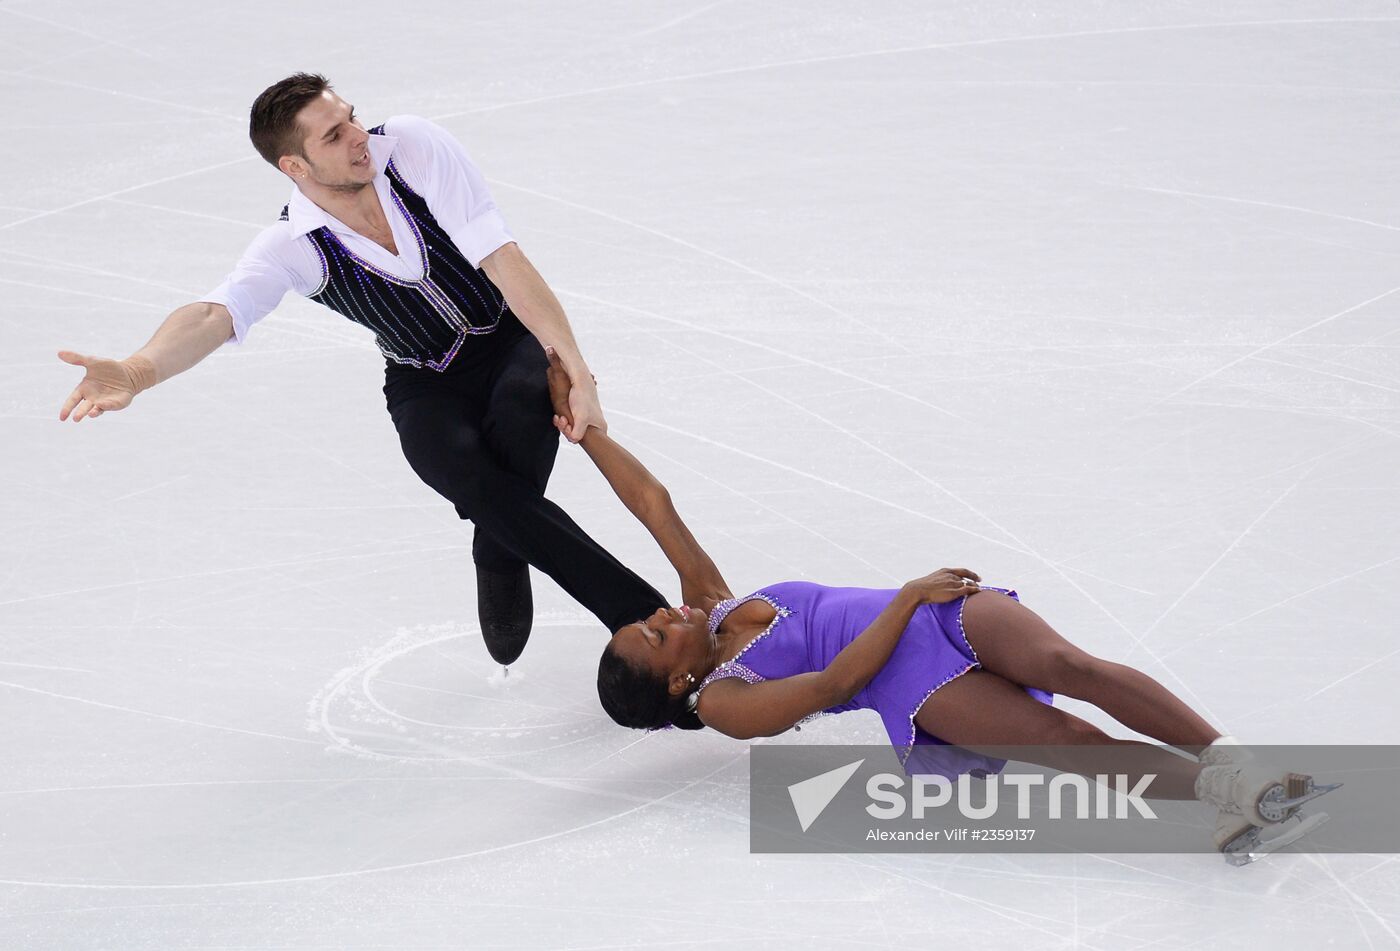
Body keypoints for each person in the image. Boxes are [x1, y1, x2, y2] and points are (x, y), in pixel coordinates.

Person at [542, 348, 1340, 863]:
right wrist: (907, 595)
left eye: (649, 617)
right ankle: (1235, 802)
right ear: (675, 684)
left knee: (1071, 664)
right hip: (913, 682)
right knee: (1066, 737)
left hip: (933, 610)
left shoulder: (711, 605)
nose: (664, 616)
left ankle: (1240, 761)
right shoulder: (724, 702)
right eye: (656, 635)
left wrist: (586, 432)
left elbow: (654, 503)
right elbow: (828, 686)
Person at [55, 72, 668, 663]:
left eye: (349, 116)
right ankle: (523, 555)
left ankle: (594, 594)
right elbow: (216, 314)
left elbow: (501, 257)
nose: (357, 136)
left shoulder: (412, 149)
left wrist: (577, 369)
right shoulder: (294, 246)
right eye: (333, 135)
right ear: (294, 168)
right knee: (451, 463)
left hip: (508, 339)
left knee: (518, 410)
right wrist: (137, 371)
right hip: (421, 377)